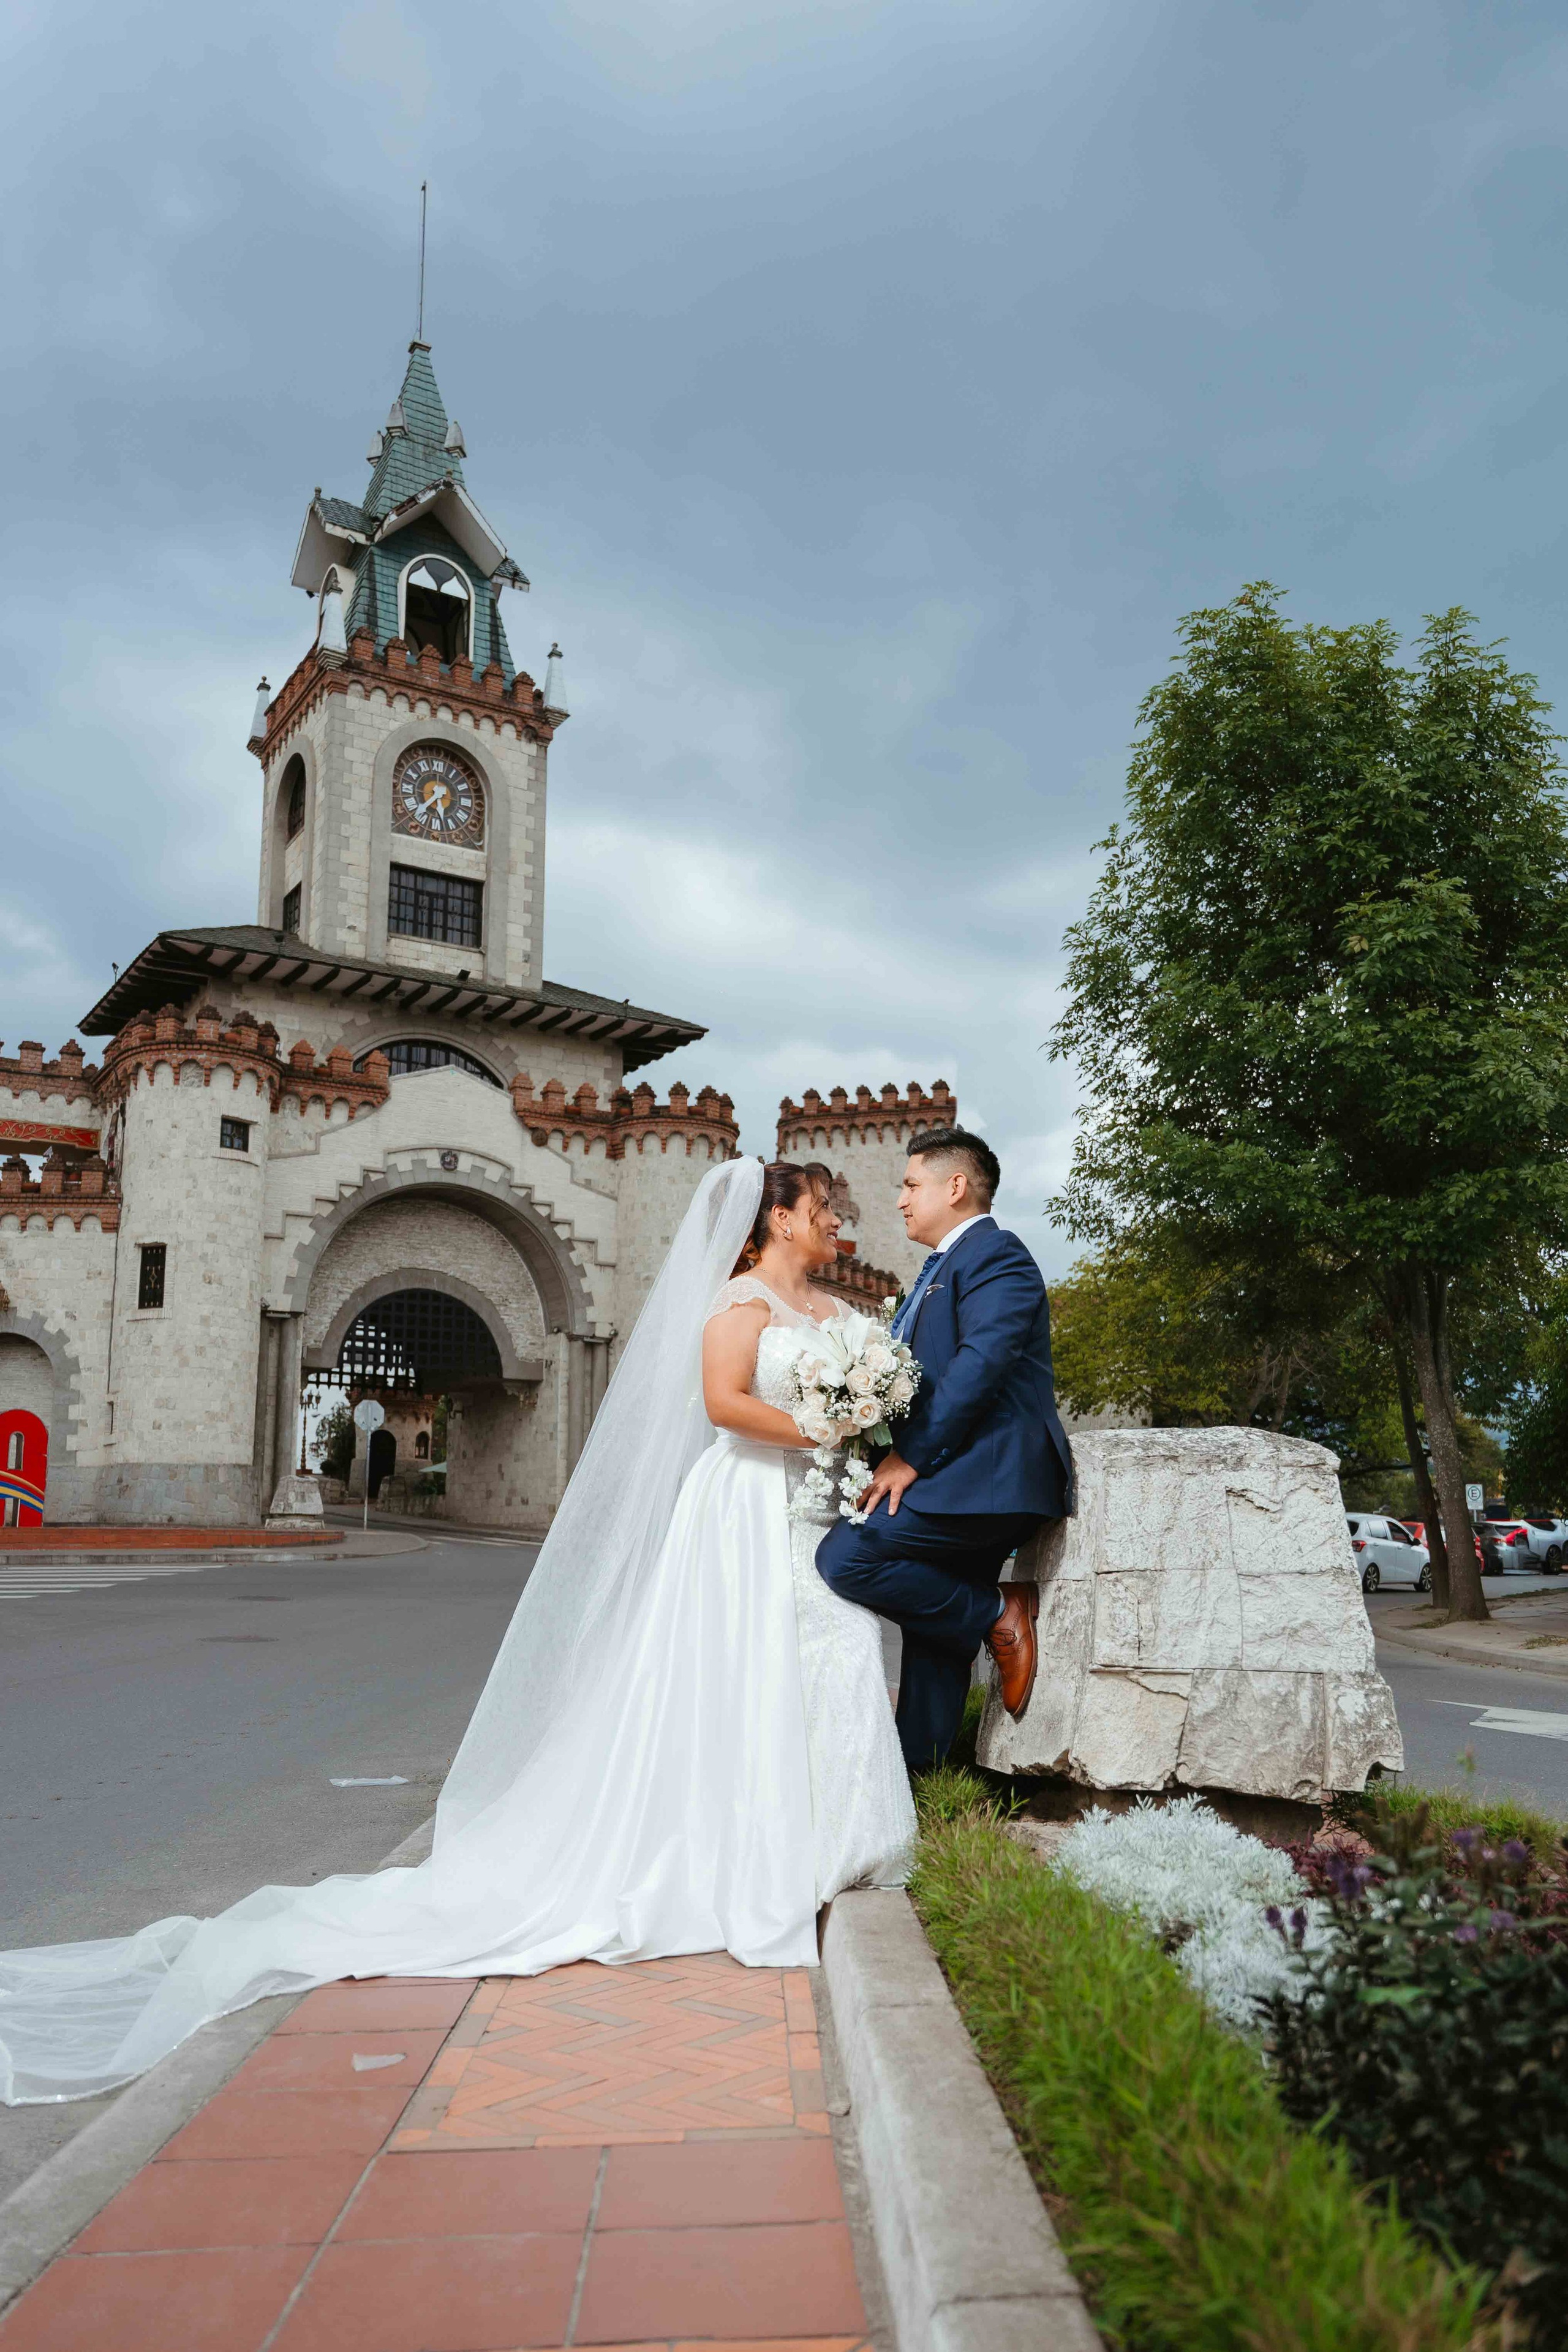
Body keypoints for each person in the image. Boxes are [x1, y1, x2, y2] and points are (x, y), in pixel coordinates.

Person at [0, 1158, 913, 2106]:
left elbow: (879, 1409)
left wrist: (874, 1436)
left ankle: (832, 1846)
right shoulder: (737, 1306)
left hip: (819, 1516)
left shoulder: (843, 1317)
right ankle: (753, 1854)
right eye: (823, 1212)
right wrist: (831, 1427)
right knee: (741, 1674)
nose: (837, 1226)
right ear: (775, 1219)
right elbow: (726, 1407)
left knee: (827, 1656)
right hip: (746, 1511)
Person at [816, 1126, 1074, 1773]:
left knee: (849, 1557)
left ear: (954, 1186)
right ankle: (921, 1783)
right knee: (933, 1631)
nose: (900, 1200)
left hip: (991, 1475)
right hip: (961, 1474)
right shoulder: (943, 1267)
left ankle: (998, 1611)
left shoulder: (996, 1255)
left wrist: (910, 1459)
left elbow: (979, 1367)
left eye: (910, 1185)